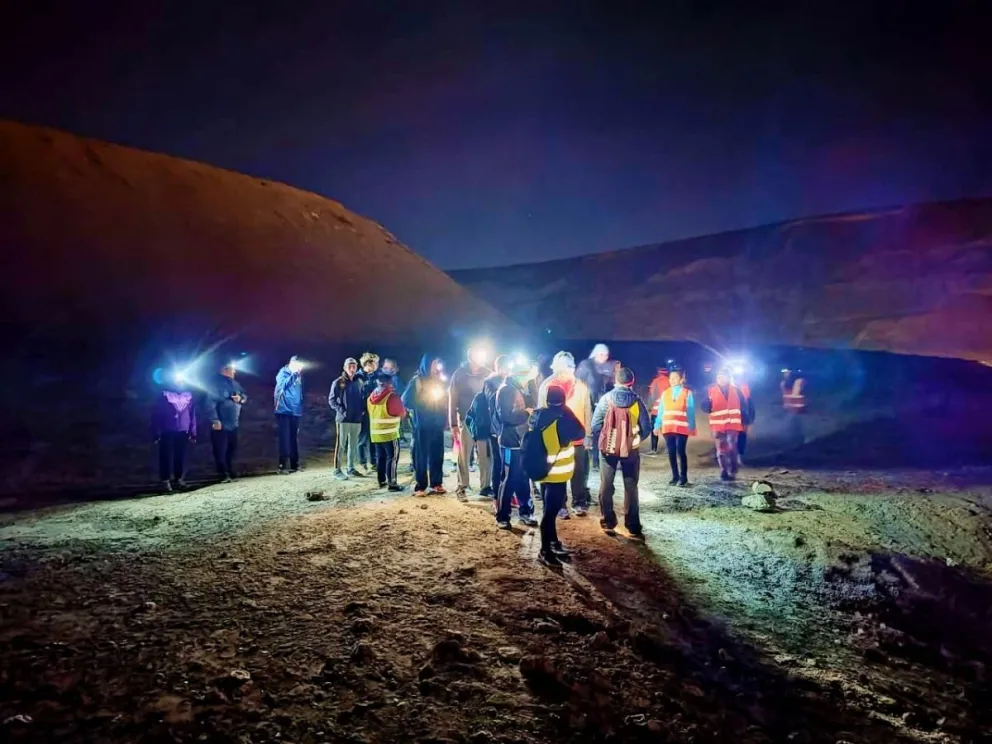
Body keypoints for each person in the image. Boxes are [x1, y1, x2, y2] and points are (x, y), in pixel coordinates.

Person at [591, 367, 651, 539]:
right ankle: (633, 526)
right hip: (631, 450)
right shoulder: (637, 401)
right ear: (631, 382)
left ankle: (608, 522)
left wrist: (605, 439)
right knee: (631, 487)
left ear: (616, 381)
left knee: (606, 484)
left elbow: (595, 426)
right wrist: (634, 440)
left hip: (608, 449)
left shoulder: (605, 399)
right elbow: (646, 428)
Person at [529, 386, 586, 566]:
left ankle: (552, 542)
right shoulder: (563, 417)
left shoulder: (538, 415)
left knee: (548, 509)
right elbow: (580, 432)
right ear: (563, 400)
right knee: (550, 512)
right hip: (556, 473)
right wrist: (567, 410)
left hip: (542, 469)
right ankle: (545, 551)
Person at [537, 351, 593, 517]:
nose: (568, 371)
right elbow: (541, 412)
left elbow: (587, 411)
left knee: (579, 471)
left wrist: (588, 436)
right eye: (564, 368)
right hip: (556, 439)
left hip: (577, 438)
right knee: (558, 473)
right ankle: (560, 505)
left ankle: (579, 501)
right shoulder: (547, 386)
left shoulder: (581, 387)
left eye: (570, 367)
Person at [494, 358, 539, 529]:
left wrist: (533, 384)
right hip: (510, 441)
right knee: (509, 479)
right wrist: (526, 413)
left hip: (522, 440)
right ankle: (502, 516)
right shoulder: (506, 390)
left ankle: (525, 512)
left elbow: (535, 404)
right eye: (527, 375)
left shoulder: (520, 388)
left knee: (523, 478)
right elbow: (506, 417)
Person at [448, 345, 492, 501]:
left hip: (483, 421)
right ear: (470, 357)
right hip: (466, 420)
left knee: (485, 456)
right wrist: (453, 423)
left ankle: (485, 486)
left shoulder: (488, 374)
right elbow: (452, 401)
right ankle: (462, 487)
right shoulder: (459, 375)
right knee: (463, 455)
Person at [402, 355, 448, 496]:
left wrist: (445, 418)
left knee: (437, 455)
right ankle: (421, 486)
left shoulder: (440, 381)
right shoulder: (417, 381)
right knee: (421, 455)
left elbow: (445, 401)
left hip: (437, 424)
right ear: (427, 365)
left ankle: (436, 483)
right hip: (422, 425)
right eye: (433, 364)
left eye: (437, 364)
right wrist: (422, 403)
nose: (436, 367)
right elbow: (405, 400)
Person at [204, 361, 247, 483]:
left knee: (231, 448)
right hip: (222, 423)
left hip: (233, 423)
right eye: (232, 369)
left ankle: (229, 470)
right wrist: (215, 420)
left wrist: (241, 398)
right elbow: (210, 403)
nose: (234, 371)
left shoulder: (235, 384)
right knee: (220, 449)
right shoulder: (215, 384)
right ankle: (222, 473)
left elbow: (244, 395)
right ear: (224, 370)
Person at [152, 378, 197, 492]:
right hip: (167, 429)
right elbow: (157, 414)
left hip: (183, 430)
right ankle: (165, 480)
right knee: (166, 456)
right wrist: (157, 432)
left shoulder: (188, 396)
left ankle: (179, 479)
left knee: (180, 456)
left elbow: (192, 414)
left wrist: (193, 431)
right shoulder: (164, 395)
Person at [653, 364, 695, 486]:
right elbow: (661, 411)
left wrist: (692, 426)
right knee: (671, 452)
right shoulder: (665, 393)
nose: (672, 380)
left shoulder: (687, 393)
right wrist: (657, 425)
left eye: (675, 378)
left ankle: (683, 477)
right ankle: (675, 476)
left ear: (681, 379)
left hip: (681, 427)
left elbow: (690, 410)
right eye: (670, 378)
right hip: (668, 427)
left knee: (680, 452)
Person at [702, 366, 746, 481]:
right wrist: (706, 405)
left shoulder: (736, 390)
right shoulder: (710, 390)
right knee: (721, 449)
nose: (721, 379)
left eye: (724, 377)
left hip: (732, 424)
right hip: (718, 425)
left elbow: (744, 405)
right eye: (719, 377)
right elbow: (704, 406)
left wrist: (745, 419)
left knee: (731, 446)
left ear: (729, 378)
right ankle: (724, 471)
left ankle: (733, 468)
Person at [577, 343, 614, 471]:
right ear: (595, 354)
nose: (604, 357)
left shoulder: (607, 368)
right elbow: (578, 382)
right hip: (588, 402)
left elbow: (609, 385)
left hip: (602, 402)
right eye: (601, 354)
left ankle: (601, 458)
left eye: (606, 355)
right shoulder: (586, 365)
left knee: (602, 430)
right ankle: (593, 460)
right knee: (591, 430)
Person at [367, 372, 406, 491]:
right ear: (389, 383)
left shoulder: (370, 397)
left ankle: (381, 481)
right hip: (390, 434)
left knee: (381, 458)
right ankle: (392, 483)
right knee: (392, 457)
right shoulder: (392, 397)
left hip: (376, 434)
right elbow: (402, 413)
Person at [329, 357, 365, 479]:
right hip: (343, 419)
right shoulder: (338, 382)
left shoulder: (359, 382)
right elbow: (332, 400)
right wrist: (342, 411)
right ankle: (337, 470)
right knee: (341, 445)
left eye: (354, 366)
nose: (352, 368)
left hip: (356, 419)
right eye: (349, 366)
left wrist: (362, 411)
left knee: (353, 445)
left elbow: (362, 398)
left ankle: (351, 468)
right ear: (345, 368)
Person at [484, 355, 511, 503]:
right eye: (505, 367)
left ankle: (507, 494)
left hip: (509, 429)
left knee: (509, 464)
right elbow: (492, 404)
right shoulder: (490, 382)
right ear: (498, 367)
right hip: (496, 430)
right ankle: (497, 496)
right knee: (498, 463)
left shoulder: (510, 383)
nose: (507, 371)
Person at [274, 355, 304, 474]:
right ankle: (282, 466)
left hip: (295, 411)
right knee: (284, 439)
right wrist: (295, 374)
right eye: (296, 364)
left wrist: (300, 407)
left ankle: (294, 465)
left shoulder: (298, 375)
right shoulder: (283, 373)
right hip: (283, 410)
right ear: (291, 363)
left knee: (293, 439)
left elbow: (299, 393)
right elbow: (283, 386)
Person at [357, 352, 380, 473]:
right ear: (368, 364)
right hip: (363, 412)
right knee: (362, 438)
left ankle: (374, 462)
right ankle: (362, 462)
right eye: (375, 363)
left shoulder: (377, 376)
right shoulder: (358, 377)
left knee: (373, 438)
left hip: (375, 412)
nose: (377, 365)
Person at [646, 365, 671, 455]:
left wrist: (649, 406)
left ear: (658, 371)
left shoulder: (655, 381)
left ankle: (654, 449)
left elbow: (652, 396)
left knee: (654, 430)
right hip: (668, 410)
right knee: (666, 430)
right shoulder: (670, 381)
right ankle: (669, 449)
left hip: (656, 410)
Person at [733, 368, 756, 465]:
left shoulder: (745, 388)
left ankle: (738, 456)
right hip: (731, 419)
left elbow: (749, 403)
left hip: (742, 419)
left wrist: (750, 416)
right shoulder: (728, 388)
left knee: (741, 438)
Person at [781, 367, 807, 446]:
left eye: (788, 372)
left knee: (797, 428)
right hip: (790, 410)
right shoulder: (783, 383)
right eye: (785, 372)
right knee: (792, 428)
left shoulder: (800, 381)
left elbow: (800, 392)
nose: (786, 374)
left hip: (800, 411)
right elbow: (785, 396)